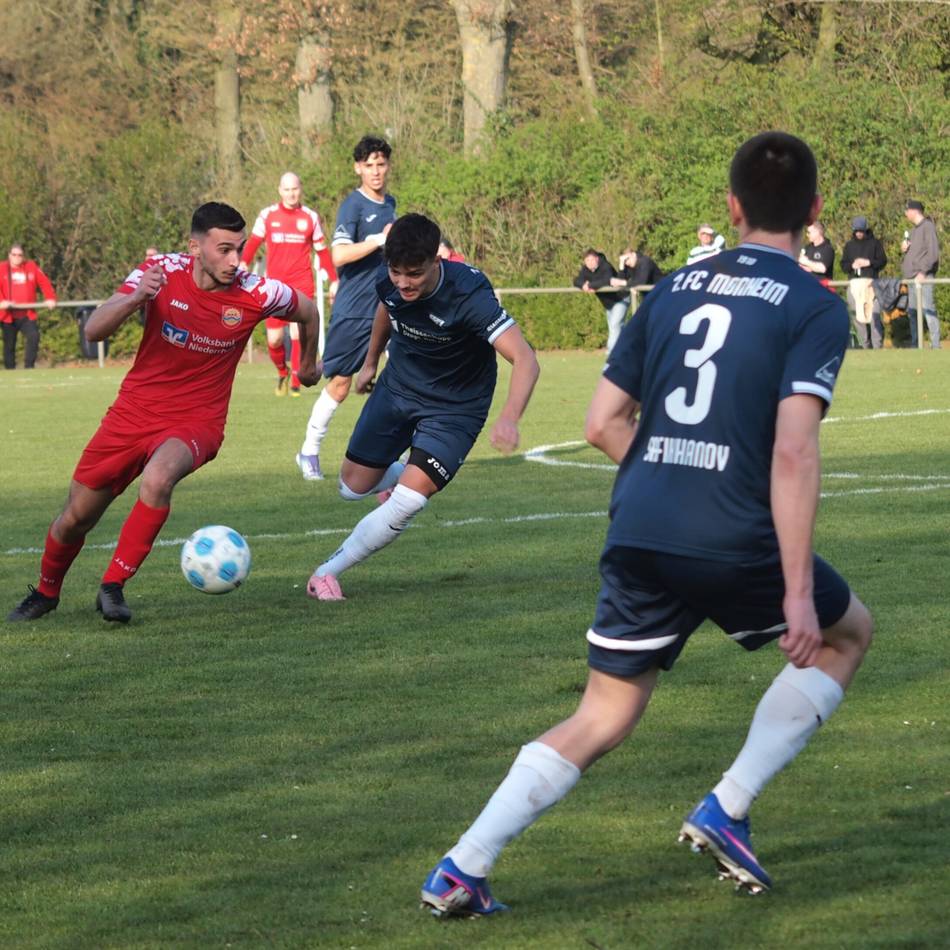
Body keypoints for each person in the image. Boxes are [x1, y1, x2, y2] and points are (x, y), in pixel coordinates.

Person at [420, 131, 873, 917]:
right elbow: (794, 452)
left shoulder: (670, 291)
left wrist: (669, 474)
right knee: (846, 633)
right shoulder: (811, 303)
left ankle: (463, 865)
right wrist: (796, 592)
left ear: (731, 207)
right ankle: (726, 807)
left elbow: (601, 422)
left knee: (604, 713)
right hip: (733, 532)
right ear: (815, 211)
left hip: (641, 521)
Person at [6, 203, 318, 625]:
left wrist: (309, 364)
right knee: (74, 519)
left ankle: (113, 585)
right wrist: (137, 296)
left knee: (158, 477)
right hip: (133, 413)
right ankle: (45, 593)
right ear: (195, 247)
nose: (235, 261)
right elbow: (94, 330)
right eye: (224, 249)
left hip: (197, 420)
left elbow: (308, 309)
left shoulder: (256, 291)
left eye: (239, 249)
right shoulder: (159, 272)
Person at [305, 213, 539, 602]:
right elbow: (386, 307)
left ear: (437, 260)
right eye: (396, 272)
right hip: (399, 389)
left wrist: (510, 418)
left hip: (457, 409)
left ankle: (326, 573)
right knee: (351, 488)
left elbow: (526, 359)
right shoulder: (388, 277)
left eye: (413, 273)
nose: (403, 282)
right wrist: (369, 362)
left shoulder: (469, 294)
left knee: (408, 502)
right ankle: (401, 474)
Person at [296, 136, 397, 481]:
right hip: (355, 307)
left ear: (388, 166)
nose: (375, 171)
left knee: (403, 376)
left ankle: (389, 459)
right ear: (357, 168)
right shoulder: (353, 206)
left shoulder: (390, 204)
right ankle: (309, 450)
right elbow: (338, 255)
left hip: (389, 304)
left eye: (381, 164)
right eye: (368, 165)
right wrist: (378, 241)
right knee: (340, 383)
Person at [241, 171, 338, 396]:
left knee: (297, 334)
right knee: (275, 340)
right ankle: (282, 372)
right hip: (275, 287)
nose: (291, 193)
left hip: (302, 283)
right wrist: (243, 263)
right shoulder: (268, 215)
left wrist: (335, 280)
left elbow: (322, 252)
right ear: (280, 190)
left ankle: (295, 381)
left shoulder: (310, 217)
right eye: (287, 189)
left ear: (300, 189)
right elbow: (254, 242)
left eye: (295, 189)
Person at [0, 244, 57, 369]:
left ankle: (29, 367)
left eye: (20, 255)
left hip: (27, 314)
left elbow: (44, 283)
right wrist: (2, 301)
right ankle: (10, 370)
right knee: (9, 345)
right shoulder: (2, 268)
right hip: (8, 316)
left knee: (34, 336)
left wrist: (50, 298)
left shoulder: (31, 266)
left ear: (23, 256)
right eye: (14, 254)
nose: (17, 257)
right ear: (9, 255)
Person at [841, 216, 887, 349]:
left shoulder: (875, 243)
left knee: (874, 316)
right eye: (856, 231)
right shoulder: (849, 246)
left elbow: (883, 261)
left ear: (866, 230)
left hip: (871, 284)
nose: (859, 233)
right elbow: (843, 265)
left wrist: (869, 262)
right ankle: (864, 345)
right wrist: (852, 265)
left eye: (861, 230)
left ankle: (877, 347)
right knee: (858, 317)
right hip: (854, 285)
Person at [573, 249, 629, 355]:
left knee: (614, 325)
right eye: (587, 260)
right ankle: (629, 350)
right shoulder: (585, 269)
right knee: (617, 329)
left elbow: (607, 280)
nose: (589, 263)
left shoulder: (605, 266)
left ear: (597, 259)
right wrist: (583, 285)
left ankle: (610, 356)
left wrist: (590, 285)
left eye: (591, 260)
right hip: (609, 304)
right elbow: (576, 280)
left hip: (621, 298)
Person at [901, 200, 940, 349]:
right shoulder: (913, 231)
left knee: (928, 309)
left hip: (923, 278)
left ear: (914, 211)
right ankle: (916, 344)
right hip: (911, 279)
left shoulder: (928, 227)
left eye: (907, 210)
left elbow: (933, 254)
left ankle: (935, 345)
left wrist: (923, 272)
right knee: (913, 312)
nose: (905, 214)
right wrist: (904, 248)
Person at [799, 221, 835, 286]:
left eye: (809, 232)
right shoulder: (808, 248)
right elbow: (801, 266)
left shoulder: (828, 249)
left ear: (817, 232)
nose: (807, 235)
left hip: (823, 287)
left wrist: (807, 262)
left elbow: (822, 269)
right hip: (808, 285)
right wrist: (812, 267)